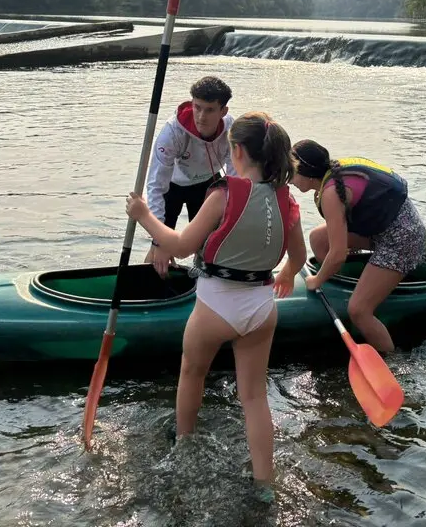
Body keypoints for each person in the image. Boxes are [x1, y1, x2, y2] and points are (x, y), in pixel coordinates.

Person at [126, 111, 307, 491]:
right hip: (260, 309)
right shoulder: (286, 199)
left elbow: (179, 245)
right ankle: (264, 483)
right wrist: (288, 275)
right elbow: (299, 255)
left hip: (214, 308)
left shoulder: (224, 193)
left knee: (192, 373)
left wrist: (144, 215)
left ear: (236, 150)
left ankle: (185, 445)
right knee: (255, 398)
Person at [289, 139, 426, 353]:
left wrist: (316, 280)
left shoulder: (330, 193)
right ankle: (356, 287)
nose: (290, 181)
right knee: (318, 238)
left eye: (292, 173)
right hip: (383, 232)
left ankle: (391, 361)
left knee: (358, 310)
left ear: (306, 172)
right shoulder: (331, 177)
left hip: (403, 240)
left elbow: (337, 255)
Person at [144, 76, 237, 277]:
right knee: (160, 251)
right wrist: (158, 240)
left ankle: (204, 282)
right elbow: (155, 187)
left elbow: (235, 178)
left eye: (210, 110)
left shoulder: (232, 130)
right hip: (172, 185)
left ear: (224, 111)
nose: (201, 116)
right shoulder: (172, 132)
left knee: (209, 246)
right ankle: (149, 284)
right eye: (197, 107)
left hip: (207, 183)